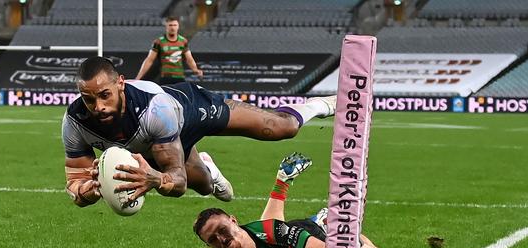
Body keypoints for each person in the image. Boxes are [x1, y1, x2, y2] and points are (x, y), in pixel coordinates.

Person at [62, 56, 337, 208]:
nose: (98, 106)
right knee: (204, 187)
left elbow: (176, 182)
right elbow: (75, 183)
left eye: (104, 95)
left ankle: (318, 105)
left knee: (281, 128)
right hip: (155, 144)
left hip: (187, 112)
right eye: (89, 99)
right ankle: (209, 169)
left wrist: (156, 180)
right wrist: (88, 190)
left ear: (120, 84)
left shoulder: (155, 108)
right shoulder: (75, 121)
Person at [193, 153, 391, 248]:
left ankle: (333, 226)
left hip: (309, 234)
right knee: (272, 236)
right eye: (212, 239)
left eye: (222, 229)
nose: (221, 238)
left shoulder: (271, 230)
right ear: (210, 246)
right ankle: (286, 183)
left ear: (234, 221)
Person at [135, 16, 203, 85]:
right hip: (165, 77)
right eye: (170, 25)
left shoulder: (183, 41)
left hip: (179, 77)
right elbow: (149, 60)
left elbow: (189, 59)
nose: (173, 28)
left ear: (178, 26)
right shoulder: (159, 42)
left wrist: (195, 70)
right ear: (166, 27)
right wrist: (138, 77)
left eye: (175, 25)